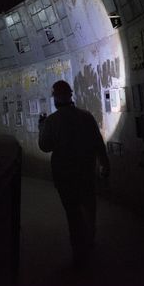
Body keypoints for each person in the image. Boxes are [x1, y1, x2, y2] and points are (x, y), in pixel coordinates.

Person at [38, 80, 110, 268]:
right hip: (86, 172)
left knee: (73, 213)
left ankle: (79, 250)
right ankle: (90, 239)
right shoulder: (86, 117)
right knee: (89, 207)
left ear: (55, 99)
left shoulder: (52, 121)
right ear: (70, 96)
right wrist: (104, 164)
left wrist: (41, 127)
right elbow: (98, 143)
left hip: (64, 175)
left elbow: (44, 146)